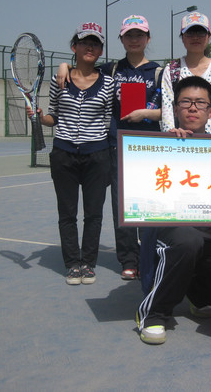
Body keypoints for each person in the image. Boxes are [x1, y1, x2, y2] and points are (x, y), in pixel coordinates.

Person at [136, 76, 211, 345]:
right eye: (186, 102)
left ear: (210, 110)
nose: (193, 108)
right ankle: (154, 313)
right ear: (175, 108)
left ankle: (200, 296)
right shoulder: (155, 147)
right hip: (171, 235)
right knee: (188, 240)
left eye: (200, 103)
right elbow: (139, 197)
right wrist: (168, 146)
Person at [56, 15, 163, 281]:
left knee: (151, 206)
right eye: (129, 35)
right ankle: (128, 259)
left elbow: (170, 109)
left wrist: (146, 114)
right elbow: (83, 70)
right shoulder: (110, 70)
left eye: (139, 35)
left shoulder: (160, 73)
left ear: (148, 38)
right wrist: (63, 66)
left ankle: (149, 256)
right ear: (121, 40)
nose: (134, 40)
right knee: (121, 206)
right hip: (117, 146)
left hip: (150, 149)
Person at [28, 22, 113, 285]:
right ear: (74, 47)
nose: (90, 47)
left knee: (94, 214)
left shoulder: (109, 83)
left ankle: (88, 263)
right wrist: (40, 117)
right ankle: (72, 264)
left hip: (97, 155)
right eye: (85, 42)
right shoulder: (60, 80)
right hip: (64, 154)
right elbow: (53, 115)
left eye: (95, 43)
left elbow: (108, 119)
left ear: (100, 51)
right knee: (67, 213)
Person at [160, 12, 211, 135]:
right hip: (180, 139)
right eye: (190, 33)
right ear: (182, 37)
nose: (195, 38)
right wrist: (172, 136)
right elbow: (167, 108)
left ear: (208, 36)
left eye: (200, 33)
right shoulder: (172, 69)